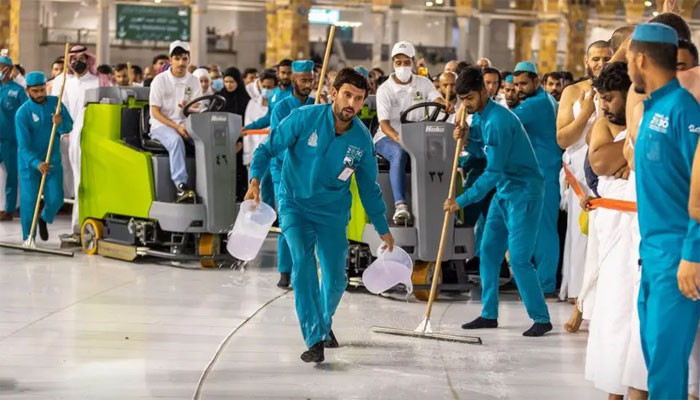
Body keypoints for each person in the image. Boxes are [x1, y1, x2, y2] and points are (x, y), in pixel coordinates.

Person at [246, 68, 394, 363]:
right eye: (347, 95)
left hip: (332, 211)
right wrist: (254, 181)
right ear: (333, 92)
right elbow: (267, 149)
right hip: (294, 204)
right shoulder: (304, 118)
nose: (352, 103)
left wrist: (381, 225)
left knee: (337, 279)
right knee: (302, 265)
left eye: (359, 98)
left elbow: (369, 187)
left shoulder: (361, 140)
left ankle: (324, 324)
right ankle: (314, 339)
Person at [445, 66, 551, 337]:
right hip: (504, 191)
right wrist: (468, 136)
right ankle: (488, 313)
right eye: (462, 100)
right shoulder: (480, 117)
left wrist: (462, 200)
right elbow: (481, 149)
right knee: (489, 253)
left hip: (524, 192)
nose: (465, 105)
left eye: (469, 98)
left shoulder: (500, 121)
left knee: (518, 258)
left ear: (483, 92)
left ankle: (541, 318)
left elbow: (492, 170)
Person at [624, 22, 700, 399]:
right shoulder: (652, 109)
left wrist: (693, 253)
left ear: (640, 59)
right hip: (650, 256)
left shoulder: (684, 110)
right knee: (657, 362)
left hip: (677, 257)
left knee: (668, 369)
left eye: (626, 61)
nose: (626, 70)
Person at [583, 61, 647, 399]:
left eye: (609, 98)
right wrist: (626, 153)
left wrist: (626, 156)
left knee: (635, 312)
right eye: (600, 98)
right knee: (614, 310)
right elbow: (599, 163)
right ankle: (614, 389)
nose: (604, 106)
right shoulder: (602, 124)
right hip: (612, 230)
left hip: (642, 228)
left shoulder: (645, 116)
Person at [556, 40, 612, 306]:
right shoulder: (572, 91)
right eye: (596, 59)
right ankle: (578, 291)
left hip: (607, 170)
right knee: (580, 235)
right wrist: (586, 113)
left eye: (606, 59)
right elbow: (562, 138)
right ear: (586, 62)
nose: (601, 64)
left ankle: (603, 292)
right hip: (579, 172)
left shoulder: (620, 90)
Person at [375, 41, 450, 225]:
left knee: (440, 155)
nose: (402, 66)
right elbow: (384, 124)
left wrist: (443, 103)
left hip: (417, 137)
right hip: (388, 137)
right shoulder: (385, 89)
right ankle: (401, 206)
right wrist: (402, 141)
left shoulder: (423, 83)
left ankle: (439, 204)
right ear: (393, 63)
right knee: (399, 154)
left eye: (406, 62)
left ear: (413, 61)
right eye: (398, 62)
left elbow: (435, 98)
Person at [511, 61, 562, 297]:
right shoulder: (543, 99)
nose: (519, 88)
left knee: (544, 229)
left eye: (524, 83)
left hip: (545, 173)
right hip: (541, 172)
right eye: (516, 84)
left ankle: (544, 284)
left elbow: (506, 123)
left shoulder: (536, 104)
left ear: (537, 81)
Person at [267, 60, 316, 288]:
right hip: (283, 171)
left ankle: (304, 269)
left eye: (311, 79)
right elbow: (278, 143)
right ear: (294, 80)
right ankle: (284, 271)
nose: (308, 84)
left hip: (311, 173)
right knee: (288, 220)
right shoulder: (282, 108)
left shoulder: (318, 105)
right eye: (304, 80)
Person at [15, 72, 73, 241]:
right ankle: (28, 237)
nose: (40, 94)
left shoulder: (56, 104)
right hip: (29, 165)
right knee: (29, 202)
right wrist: (36, 163)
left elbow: (69, 127)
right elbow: (23, 147)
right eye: (35, 91)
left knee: (56, 199)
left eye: (42, 90)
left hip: (52, 160)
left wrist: (60, 122)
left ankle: (44, 218)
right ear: (27, 90)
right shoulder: (22, 113)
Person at [149, 41, 202, 204]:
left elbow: (198, 106)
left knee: (206, 142)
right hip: (162, 126)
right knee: (176, 141)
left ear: (189, 60)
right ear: (170, 60)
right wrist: (177, 127)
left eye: (184, 59)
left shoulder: (194, 81)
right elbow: (155, 112)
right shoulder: (160, 81)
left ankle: (205, 185)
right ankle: (181, 185)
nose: (181, 63)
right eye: (177, 58)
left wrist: (191, 108)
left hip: (187, 124)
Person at [60, 45, 100, 237]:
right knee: (78, 181)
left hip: (94, 135)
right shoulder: (64, 83)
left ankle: (86, 222)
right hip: (73, 137)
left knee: (90, 180)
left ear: (88, 60)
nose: (78, 61)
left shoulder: (98, 82)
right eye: (73, 57)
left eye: (82, 57)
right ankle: (77, 225)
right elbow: (63, 110)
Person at [0, 56, 28, 222]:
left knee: (11, 175)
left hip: (10, 139)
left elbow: (25, 114)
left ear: (9, 70)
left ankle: (9, 209)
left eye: (2, 67)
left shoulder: (18, 91)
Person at [245, 59, 293, 131]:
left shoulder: (298, 94)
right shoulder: (273, 93)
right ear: (278, 73)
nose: (285, 76)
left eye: (289, 73)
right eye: (283, 73)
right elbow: (269, 118)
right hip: (277, 138)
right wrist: (248, 128)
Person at [243, 70, 276, 171]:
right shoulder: (252, 104)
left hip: (274, 154)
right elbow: (247, 134)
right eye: (264, 87)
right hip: (254, 154)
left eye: (269, 87)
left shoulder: (279, 104)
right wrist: (248, 157)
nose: (266, 90)